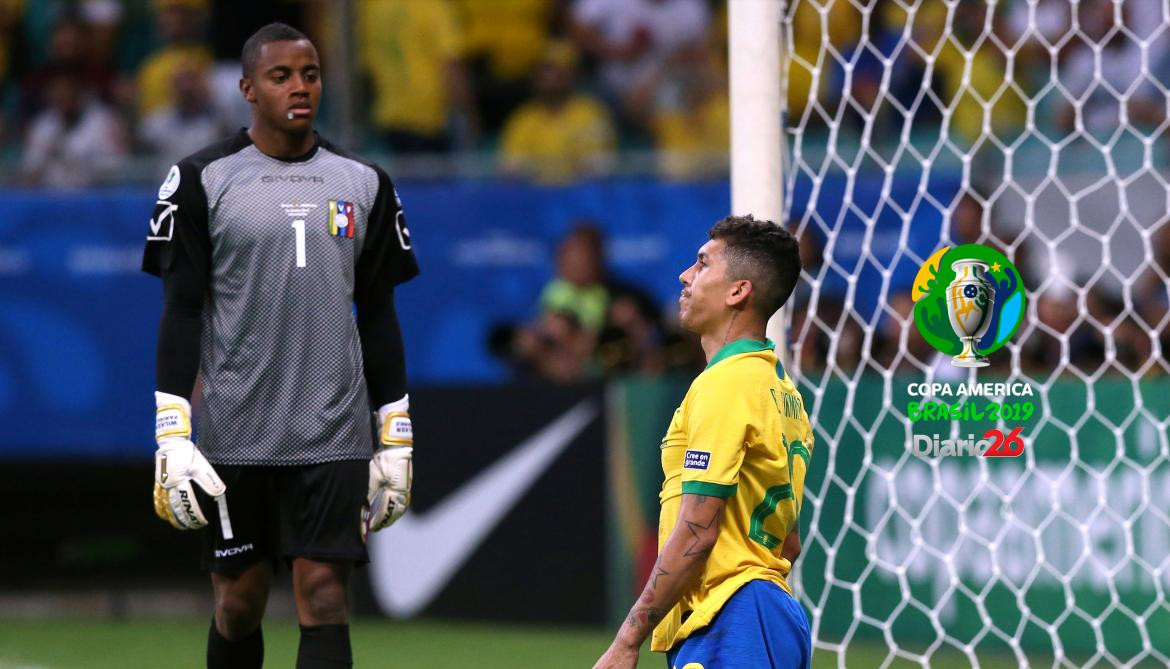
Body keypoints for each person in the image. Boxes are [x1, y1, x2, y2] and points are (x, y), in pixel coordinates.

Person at [141, 23, 418, 668]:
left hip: (334, 432)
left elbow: (378, 315)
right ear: (247, 89)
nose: (300, 87)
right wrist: (172, 432)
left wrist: (396, 433)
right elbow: (180, 311)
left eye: (311, 74)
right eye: (281, 76)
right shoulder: (200, 180)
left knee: (322, 594)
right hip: (235, 434)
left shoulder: (366, 182)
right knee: (238, 601)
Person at [594, 215, 814, 669]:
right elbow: (787, 544)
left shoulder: (725, 386)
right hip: (765, 612)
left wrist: (627, 639)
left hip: (734, 613)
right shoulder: (782, 391)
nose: (685, 275)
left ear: (738, 291)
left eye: (702, 264)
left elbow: (698, 530)